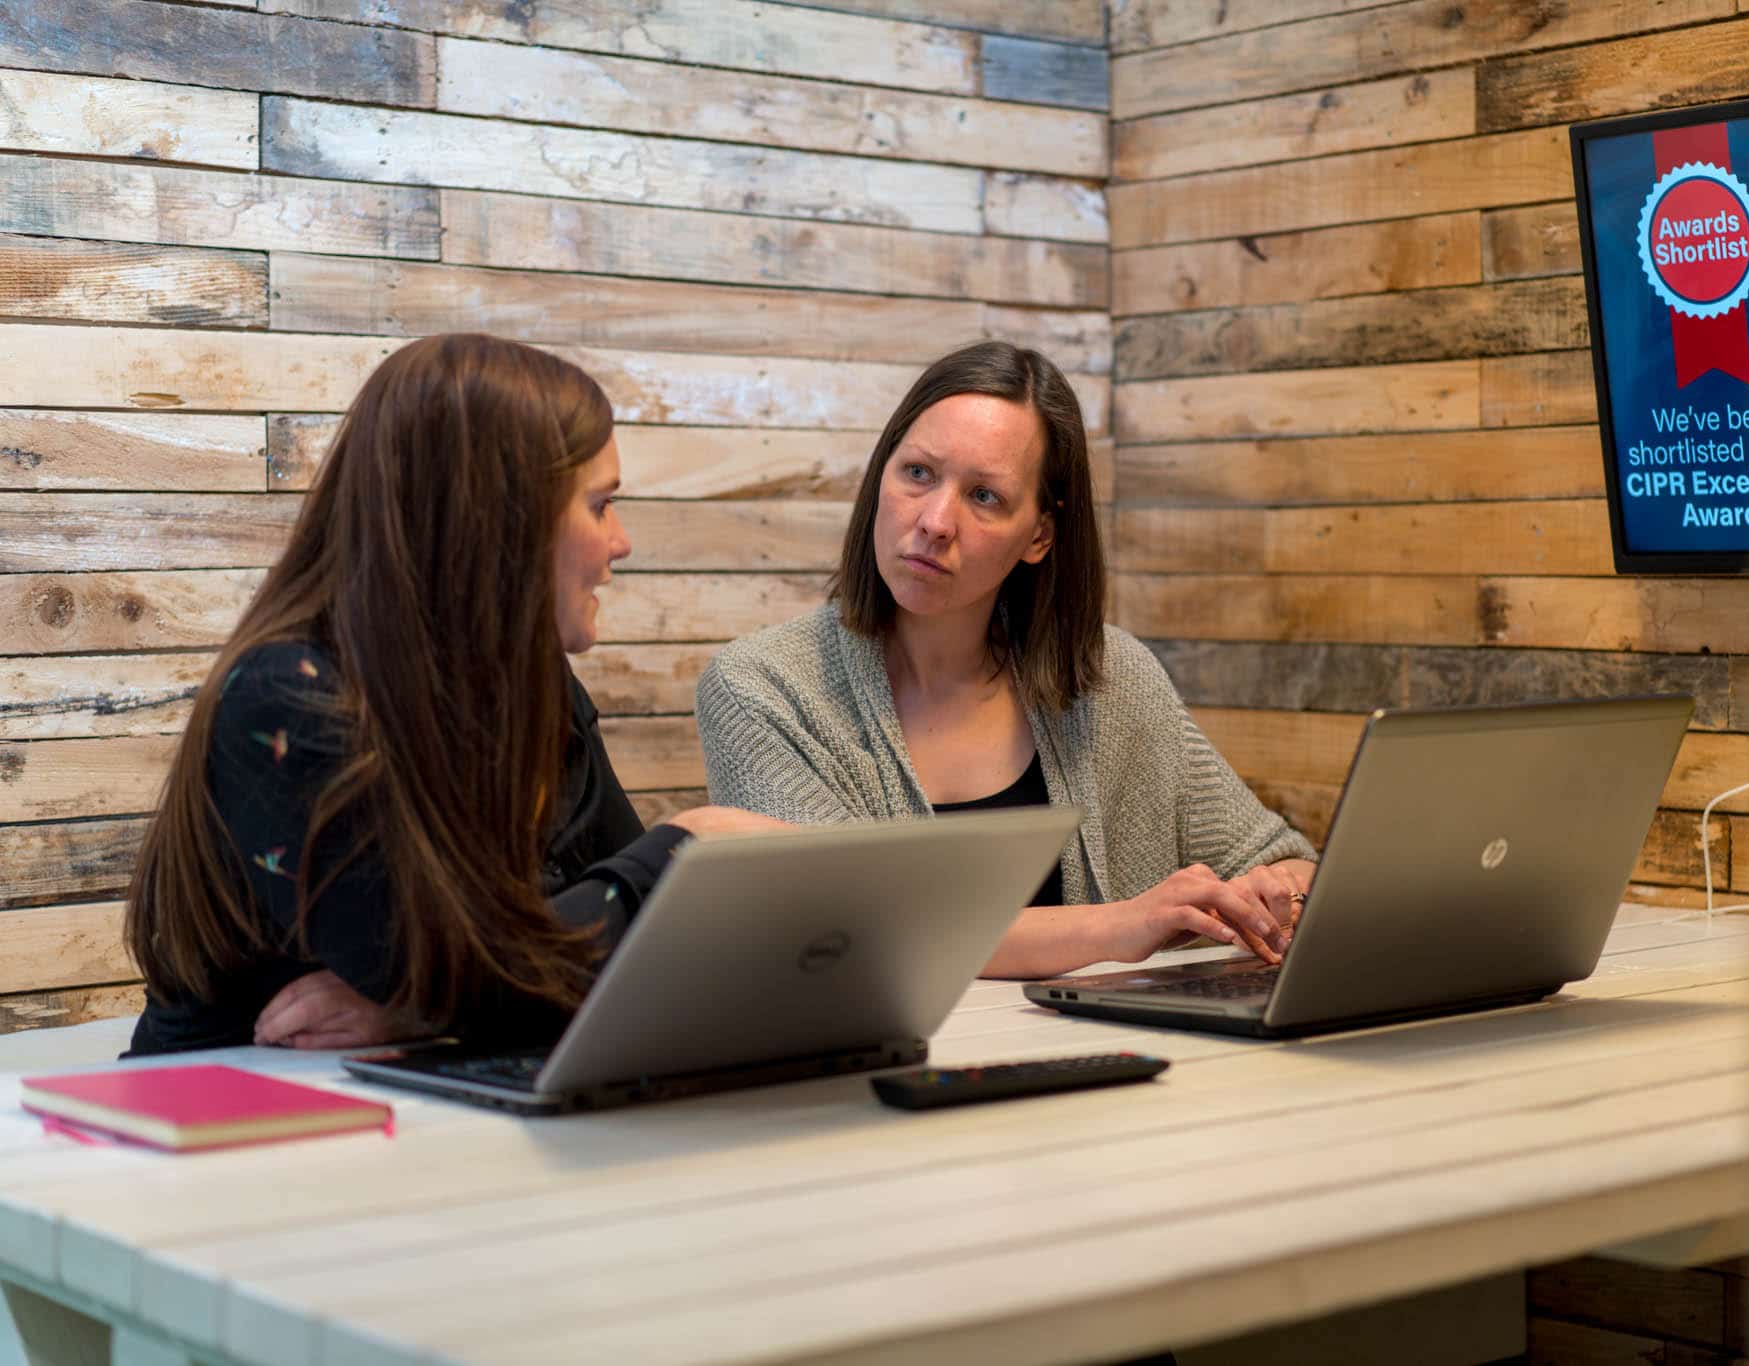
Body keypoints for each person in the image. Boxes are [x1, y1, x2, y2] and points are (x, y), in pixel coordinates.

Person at [124, 334, 777, 1056]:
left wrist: (425, 1009)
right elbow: (464, 973)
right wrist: (681, 854)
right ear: (502, 517)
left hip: (424, 1108)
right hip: (227, 1119)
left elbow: (610, 954)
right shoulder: (288, 698)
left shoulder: (534, 680)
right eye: (600, 506)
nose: (619, 542)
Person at [695, 341, 1316, 980]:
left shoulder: (1112, 679)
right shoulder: (759, 689)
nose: (936, 520)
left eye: (985, 496)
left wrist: (1280, 894)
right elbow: (851, 926)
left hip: (1113, 1064)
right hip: (890, 1068)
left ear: (1040, 535)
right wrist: (1122, 923)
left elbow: (1283, 859)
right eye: (917, 473)